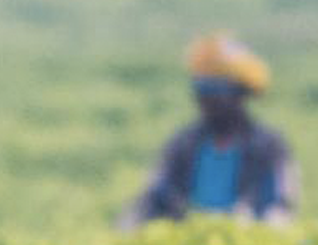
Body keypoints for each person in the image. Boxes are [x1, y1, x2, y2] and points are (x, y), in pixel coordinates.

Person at [122, 33, 299, 227]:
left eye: (215, 93)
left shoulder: (268, 147)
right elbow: (154, 196)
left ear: (240, 96)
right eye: (202, 92)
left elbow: (279, 206)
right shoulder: (183, 144)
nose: (206, 102)